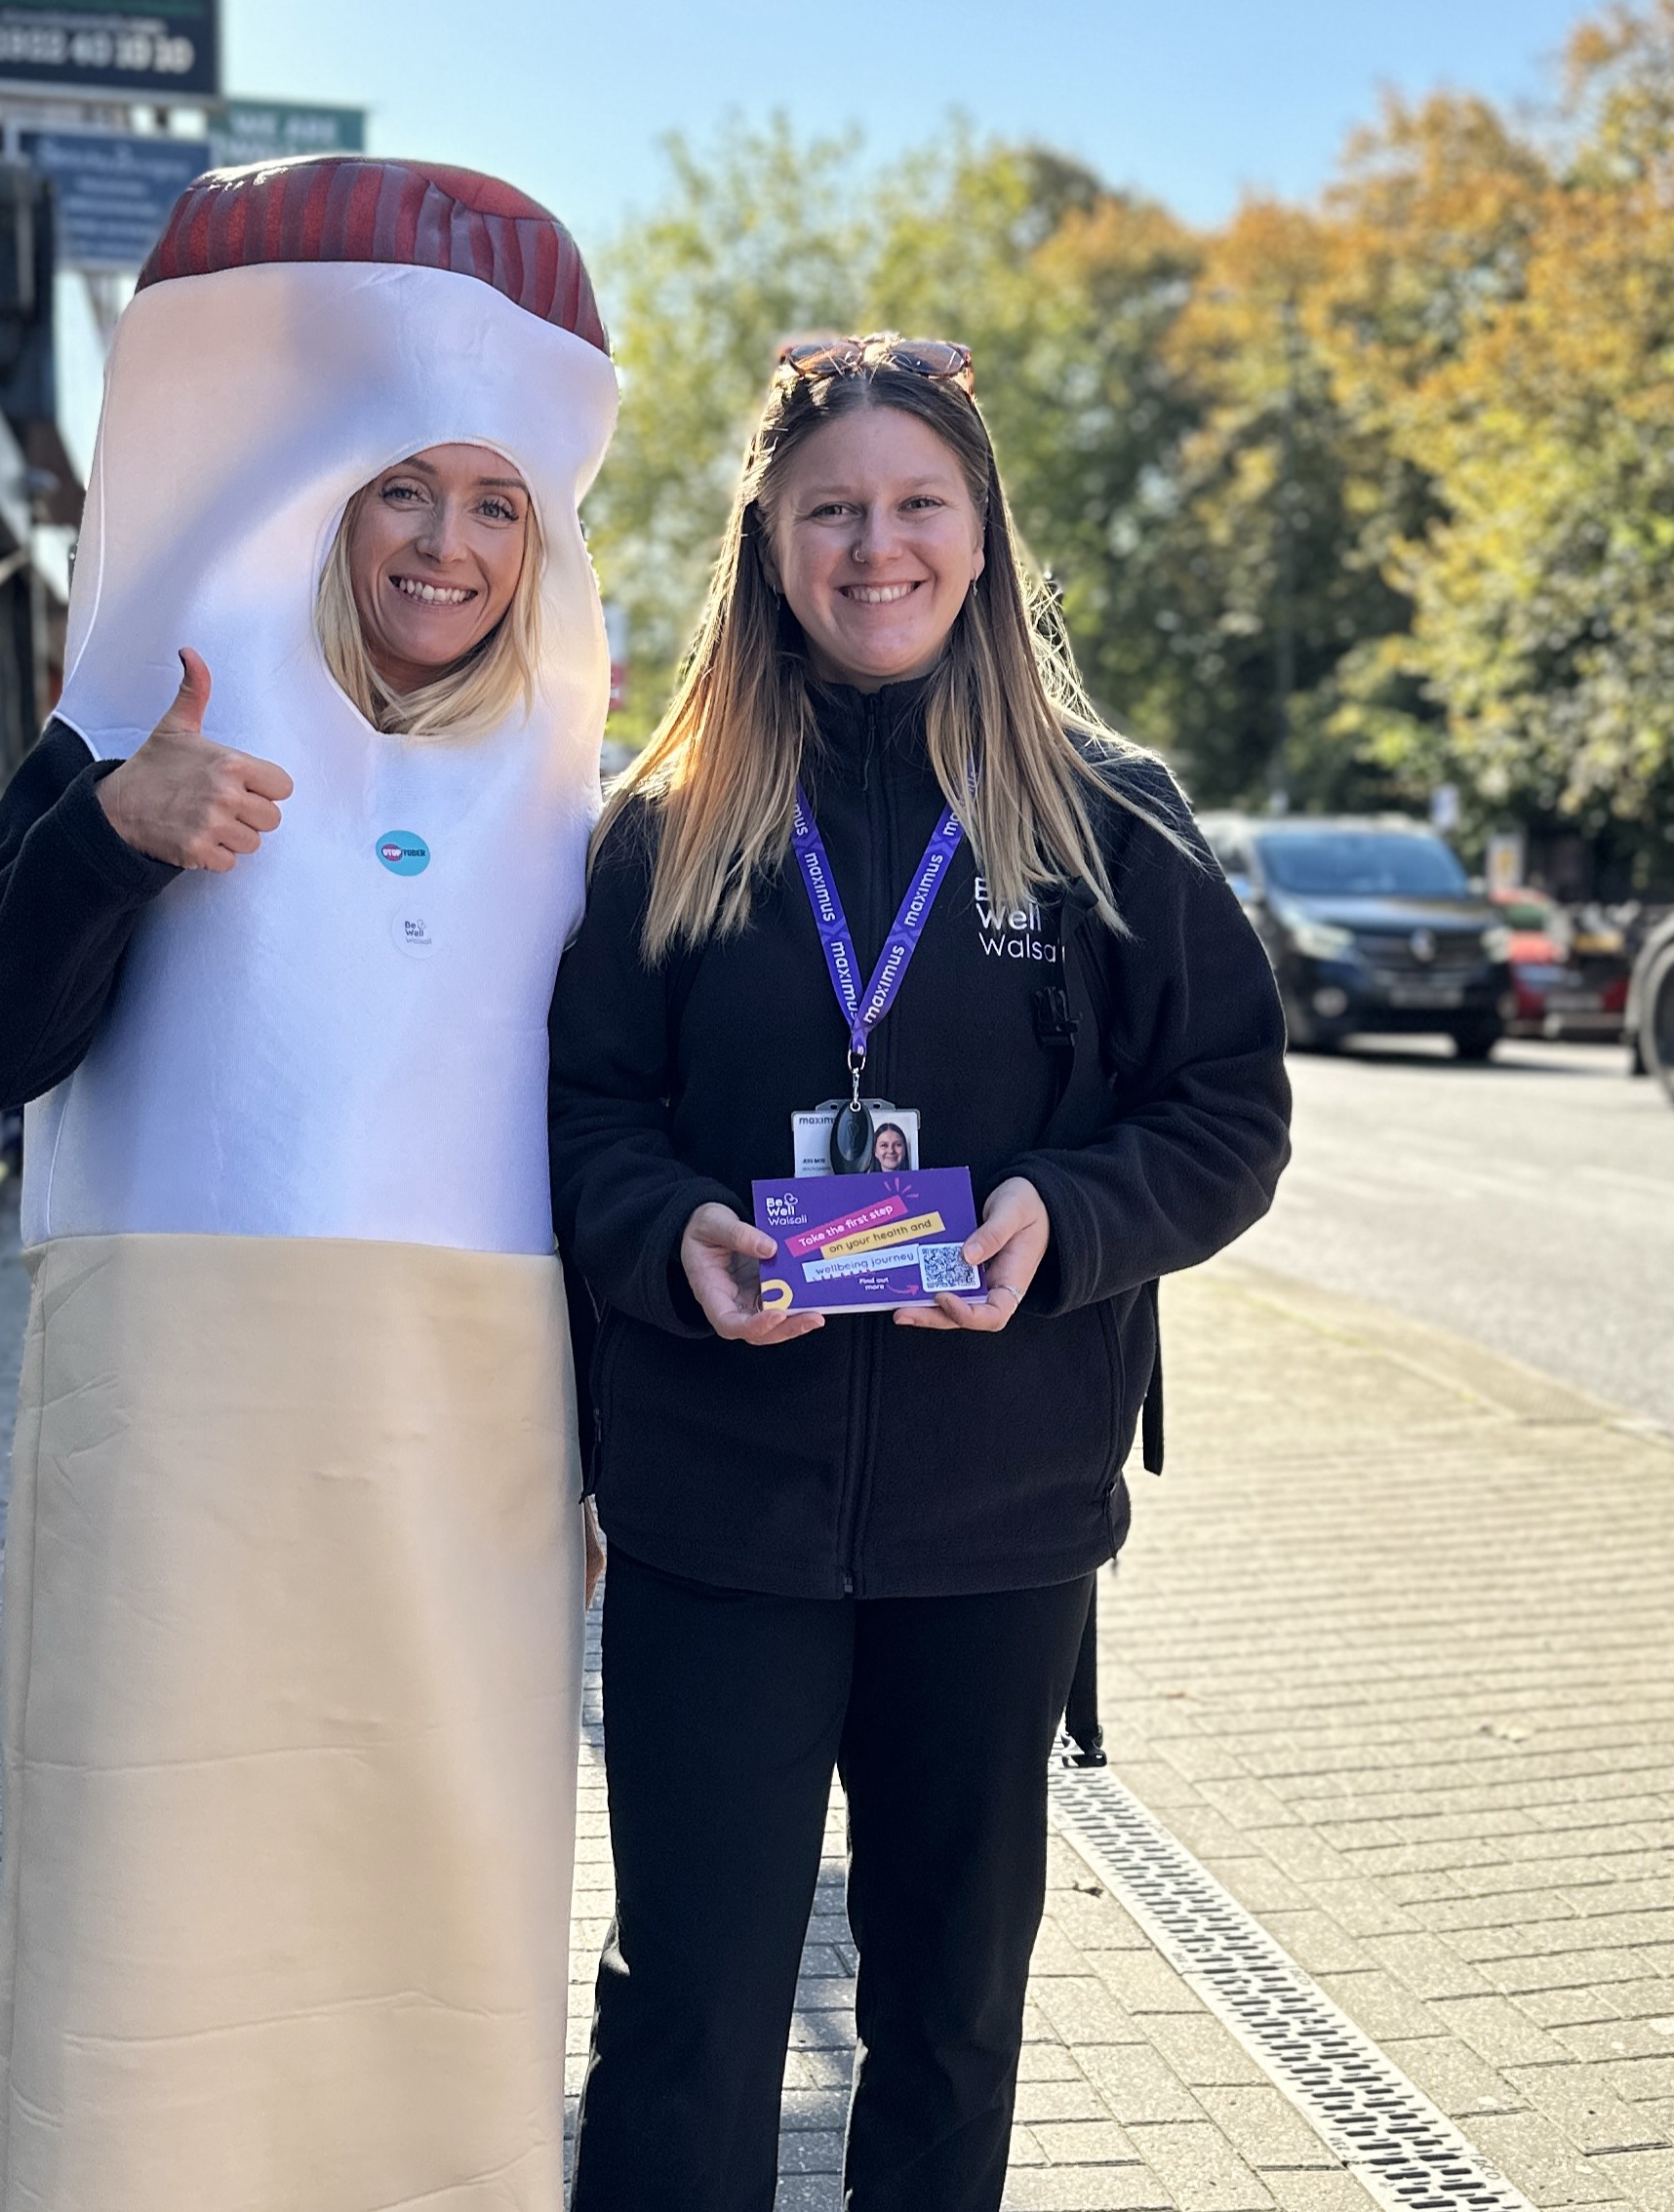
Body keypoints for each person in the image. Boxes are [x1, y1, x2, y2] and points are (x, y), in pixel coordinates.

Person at [0, 156, 618, 2211]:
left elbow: (610, 1127)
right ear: (326, 492)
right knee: (164, 1900)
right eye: (411, 488)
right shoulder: (135, 719)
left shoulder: (577, 785)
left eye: (499, 502)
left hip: (460, 1436)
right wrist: (114, 832)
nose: (454, 544)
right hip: (186, 1425)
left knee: (435, 1907)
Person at [550, 332, 1292, 2211]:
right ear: (769, 542)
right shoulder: (672, 819)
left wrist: (1071, 1221)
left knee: (952, 2007)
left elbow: (1229, 1114)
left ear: (979, 532)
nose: (877, 547)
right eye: (833, 510)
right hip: (720, 1512)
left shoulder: (1107, 816)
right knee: (689, 2006)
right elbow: (583, 1117)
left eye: (917, 506)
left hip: (1002, 1525)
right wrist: (672, 1236)